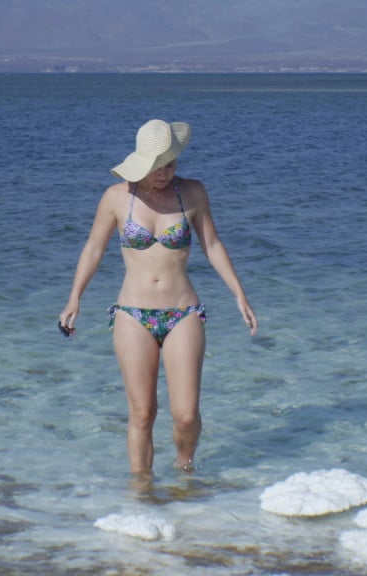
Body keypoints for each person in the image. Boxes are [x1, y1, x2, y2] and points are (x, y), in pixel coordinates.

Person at [59, 119, 258, 479]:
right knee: (142, 413)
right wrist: (75, 299)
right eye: (156, 166)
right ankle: (141, 492)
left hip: (183, 311)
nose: (164, 173)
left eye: (170, 164)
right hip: (133, 314)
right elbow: (93, 248)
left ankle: (185, 471)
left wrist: (239, 294)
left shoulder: (193, 193)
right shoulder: (116, 198)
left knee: (185, 414)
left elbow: (212, 245)